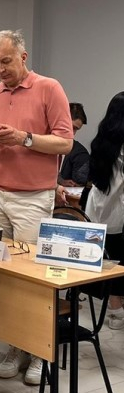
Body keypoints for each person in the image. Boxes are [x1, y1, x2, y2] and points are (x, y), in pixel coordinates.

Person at [0, 29, 73, 385]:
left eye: (5, 61)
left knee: (32, 276)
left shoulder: (49, 88)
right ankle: (14, 347)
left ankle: (38, 352)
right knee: (0, 274)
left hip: (33, 196)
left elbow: (65, 142)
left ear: (23, 56)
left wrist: (24, 139)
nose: (0, 69)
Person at [84, 91, 124, 329]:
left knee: (105, 260)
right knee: (118, 261)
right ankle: (116, 312)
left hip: (96, 210)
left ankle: (113, 308)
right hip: (117, 212)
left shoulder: (101, 141)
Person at [56, 102, 90, 206]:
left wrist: (60, 181)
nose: (73, 133)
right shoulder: (43, 141)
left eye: (77, 129)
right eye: (72, 127)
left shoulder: (78, 152)